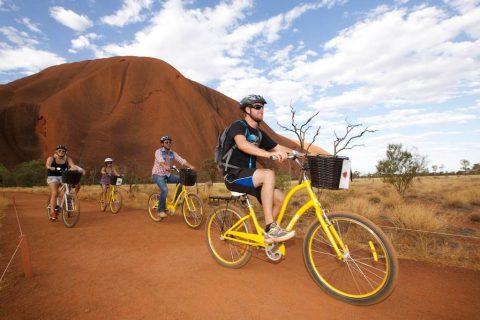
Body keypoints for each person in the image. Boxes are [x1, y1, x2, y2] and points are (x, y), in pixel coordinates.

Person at [222, 94, 296, 244]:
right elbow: (242, 144)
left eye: (262, 107)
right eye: (257, 107)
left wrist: (297, 154)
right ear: (247, 110)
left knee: (281, 198)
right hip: (234, 175)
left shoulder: (259, 134)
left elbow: (278, 147)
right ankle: (271, 227)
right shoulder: (238, 126)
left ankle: (266, 235)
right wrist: (268, 155)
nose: (261, 110)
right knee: (268, 174)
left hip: (251, 178)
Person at [151, 135, 195, 218]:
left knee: (181, 180)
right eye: (166, 142)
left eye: (170, 142)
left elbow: (181, 160)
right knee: (164, 190)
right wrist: (165, 166)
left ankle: (175, 202)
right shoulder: (158, 152)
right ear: (162, 144)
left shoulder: (172, 153)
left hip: (167, 174)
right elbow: (160, 161)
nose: (168, 143)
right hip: (158, 175)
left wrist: (190, 166)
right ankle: (160, 210)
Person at [45, 144, 84, 221]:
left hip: (64, 177)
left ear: (65, 152)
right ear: (56, 151)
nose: (61, 152)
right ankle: (53, 212)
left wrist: (76, 169)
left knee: (67, 191)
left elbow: (72, 165)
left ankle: (67, 205)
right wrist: (50, 167)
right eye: (59, 150)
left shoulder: (67, 159)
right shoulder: (51, 158)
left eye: (63, 151)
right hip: (53, 177)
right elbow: (48, 165)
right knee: (55, 193)